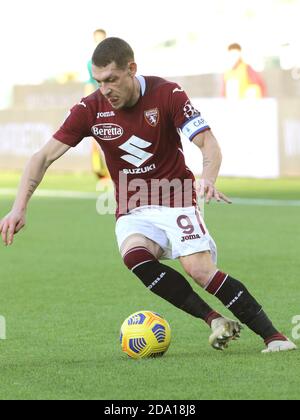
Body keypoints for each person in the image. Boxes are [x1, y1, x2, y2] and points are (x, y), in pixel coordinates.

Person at [0, 37, 296, 354]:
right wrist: (19, 208)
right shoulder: (90, 108)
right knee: (135, 257)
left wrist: (208, 178)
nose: (105, 89)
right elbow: (42, 157)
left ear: (132, 69)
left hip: (176, 197)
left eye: (112, 79)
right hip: (133, 207)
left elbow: (208, 142)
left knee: (199, 271)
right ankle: (214, 320)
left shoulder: (166, 94)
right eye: (99, 81)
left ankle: (275, 337)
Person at [86, 28, 109, 180]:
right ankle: (102, 174)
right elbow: (89, 83)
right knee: (98, 139)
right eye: (97, 39)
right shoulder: (90, 62)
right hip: (99, 104)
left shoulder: (114, 58)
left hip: (113, 102)